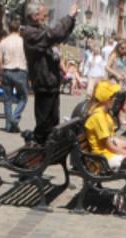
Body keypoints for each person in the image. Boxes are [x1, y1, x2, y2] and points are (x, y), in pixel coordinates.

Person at [22, 0, 76, 142]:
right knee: (44, 122)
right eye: (44, 15)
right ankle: (37, 146)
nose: (46, 17)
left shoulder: (40, 30)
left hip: (51, 82)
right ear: (34, 16)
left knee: (53, 120)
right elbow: (53, 35)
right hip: (43, 82)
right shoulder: (30, 33)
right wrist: (68, 17)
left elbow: (60, 35)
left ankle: (48, 148)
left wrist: (72, 20)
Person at [0, 18, 27, 134]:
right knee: (23, 98)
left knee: (7, 99)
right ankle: (14, 118)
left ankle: (9, 125)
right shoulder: (23, 41)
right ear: (19, 28)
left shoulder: (4, 42)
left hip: (7, 71)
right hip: (20, 71)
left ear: (9, 29)